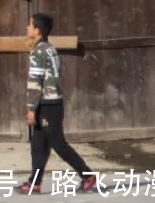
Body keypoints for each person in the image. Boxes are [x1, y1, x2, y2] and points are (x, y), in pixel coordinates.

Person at [19, 13, 97, 195]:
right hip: (50, 103)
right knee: (38, 145)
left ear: (37, 31)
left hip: (48, 105)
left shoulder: (38, 51)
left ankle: (87, 175)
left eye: (30, 25)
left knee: (58, 144)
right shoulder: (49, 48)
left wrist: (31, 108)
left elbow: (35, 81)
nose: (27, 28)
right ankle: (34, 183)